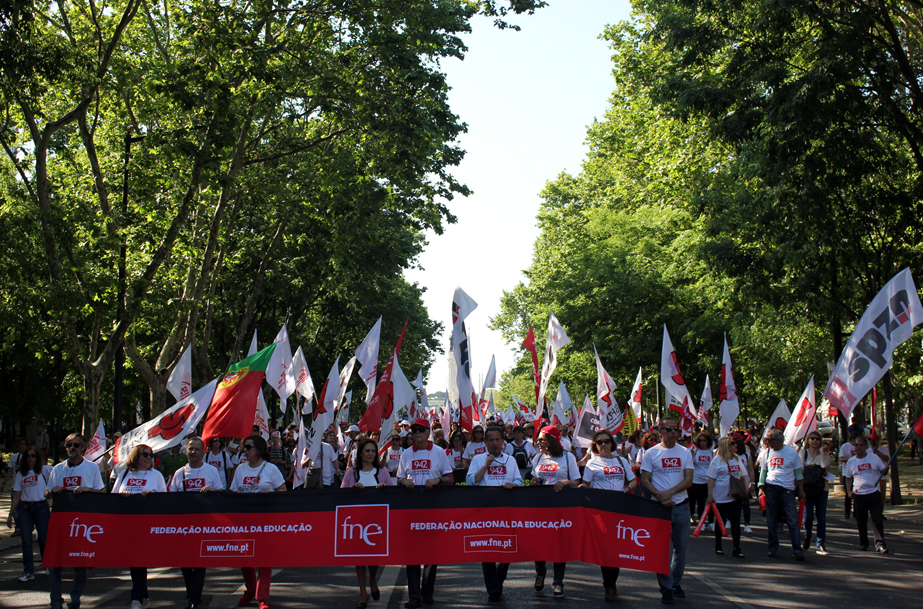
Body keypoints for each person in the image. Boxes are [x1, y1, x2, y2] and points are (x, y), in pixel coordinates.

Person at [396, 418, 453, 608]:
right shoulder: (405, 454)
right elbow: (399, 478)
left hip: (432, 509)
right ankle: (414, 595)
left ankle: (427, 591)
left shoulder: (439, 453)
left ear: (428, 433)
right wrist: (404, 482)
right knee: (412, 554)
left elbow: (450, 478)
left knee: (431, 553)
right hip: (411, 510)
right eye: (414, 430)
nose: (416, 433)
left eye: (420, 430)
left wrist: (437, 480)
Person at [45, 433, 105, 609]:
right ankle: (56, 600)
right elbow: (46, 494)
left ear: (83, 448)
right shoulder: (58, 469)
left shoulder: (92, 468)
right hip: (60, 521)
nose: (72, 448)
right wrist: (52, 491)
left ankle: (75, 599)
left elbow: (102, 494)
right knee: (55, 562)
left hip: (82, 524)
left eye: (76, 445)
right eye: (69, 445)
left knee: (79, 563)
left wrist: (87, 490)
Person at [639, 417, 693, 604]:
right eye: (668, 429)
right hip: (660, 509)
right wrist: (659, 496)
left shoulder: (685, 452)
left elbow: (688, 480)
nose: (673, 432)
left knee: (681, 549)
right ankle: (666, 588)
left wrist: (668, 493)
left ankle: (675, 583)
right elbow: (645, 480)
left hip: (681, 506)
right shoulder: (651, 453)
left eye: (675, 429)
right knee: (662, 550)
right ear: (660, 431)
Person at [467, 426, 522, 602]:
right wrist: (486, 465)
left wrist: (513, 485)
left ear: (503, 442)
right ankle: (493, 589)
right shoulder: (477, 459)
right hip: (485, 512)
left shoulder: (510, 460)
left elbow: (519, 480)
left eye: (497, 440)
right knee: (488, 549)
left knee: (508, 547)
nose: (494, 443)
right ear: (485, 443)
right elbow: (471, 481)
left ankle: (500, 576)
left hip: (506, 511)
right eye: (491, 440)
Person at [231, 435, 287, 609]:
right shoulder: (240, 469)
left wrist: (271, 499)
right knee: (245, 560)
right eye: (244, 447)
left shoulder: (271, 469)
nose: (245, 451)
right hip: (245, 521)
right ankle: (249, 590)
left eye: (248, 447)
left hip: (265, 521)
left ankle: (262, 597)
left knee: (264, 559)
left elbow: (283, 491)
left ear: (259, 449)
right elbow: (233, 492)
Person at [581, 429, 637, 601]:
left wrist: (628, 488)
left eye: (606, 441)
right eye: (600, 442)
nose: (603, 444)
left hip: (619, 509)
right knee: (606, 549)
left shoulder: (621, 460)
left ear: (611, 443)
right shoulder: (592, 464)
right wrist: (583, 490)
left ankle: (612, 581)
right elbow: (586, 484)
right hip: (601, 511)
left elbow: (633, 479)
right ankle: (609, 585)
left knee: (617, 548)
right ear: (595, 446)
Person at [170, 437, 225, 609]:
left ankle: (195, 601)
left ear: (203, 452)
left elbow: (220, 494)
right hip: (184, 527)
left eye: (197, 449)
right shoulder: (180, 473)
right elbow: (170, 497)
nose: (193, 452)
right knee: (186, 565)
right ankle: (191, 597)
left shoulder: (211, 471)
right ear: (186, 450)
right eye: (190, 449)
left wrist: (212, 491)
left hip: (204, 525)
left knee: (200, 564)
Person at [111, 444, 167, 609]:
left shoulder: (156, 475)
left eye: (151, 455)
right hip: (127, 526)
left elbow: (164, 500)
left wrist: (152, 496)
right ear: (135, 456)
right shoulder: (125, 474)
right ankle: (144, 595)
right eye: (145, 454)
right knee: (134, 562)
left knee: (139, 561)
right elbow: (113, 497)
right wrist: (122, 496)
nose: (149, 458)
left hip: (146, 526)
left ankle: (136, 599)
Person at [341, 438, 393, 608]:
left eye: (373, 451)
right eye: (367, 451)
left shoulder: (382, 470)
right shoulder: (351, 473)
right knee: (359, 557)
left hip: (376, 523)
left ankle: (372, 578)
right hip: (357, 523)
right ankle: (363, 591)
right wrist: (353, 490)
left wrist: (384, 488)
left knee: (373, 556)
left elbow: (393, 493)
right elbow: (342, 495)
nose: (370, 454)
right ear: (360, 453)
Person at [530, 425, 580, 598]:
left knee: (559, 544)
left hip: (560, 508)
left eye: (542, 439)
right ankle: (540, 573)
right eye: (538, 440)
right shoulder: (537, 458)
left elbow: (577, 481)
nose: (538, 442)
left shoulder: (568, 457)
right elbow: (532, 477)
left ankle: (558, 582)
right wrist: (533, 482)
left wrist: (565, 482)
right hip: (540, 507)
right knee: (539, 543)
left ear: (552, 440)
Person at [6, 446, 53, 582]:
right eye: (28, 456)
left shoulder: (44, 470)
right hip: (25, 508)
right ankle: (28, 571)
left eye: (33, 456)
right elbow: (17, 495)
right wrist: (11, 513)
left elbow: (60, 472)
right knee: (26, 540)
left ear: (37, 458)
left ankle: (47, 563)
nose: (31, 458)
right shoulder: (21, 474)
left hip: (41, 507)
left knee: (43, 538)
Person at [758, 429, 805, 560]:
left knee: (792, 520)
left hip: (787, 489)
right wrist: (761, 486)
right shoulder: (766, 453)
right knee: (771, 520)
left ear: (778, 441)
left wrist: (801, 490)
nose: (767, 443)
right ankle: (772, 547)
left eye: (770, 440)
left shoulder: (791, 452)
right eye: (767, 440)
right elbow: (763, 471)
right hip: (771, 488)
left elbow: (798, 473)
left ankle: (797, 549)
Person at [844, 436, 888, 553]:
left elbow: (883, 470)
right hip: (859, 494)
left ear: (866, 447)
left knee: (877, 519)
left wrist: (885, 470)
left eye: (861, 445)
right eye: (857, 445)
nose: (859, 447)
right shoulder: (851, 461)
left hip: (873, 493)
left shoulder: (874, 458)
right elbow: (848, 478)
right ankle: (863, 543)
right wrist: (849, 491)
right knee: (861, 520)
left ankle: (880, 543)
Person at [707, 437, 748, 558]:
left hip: (735, 496)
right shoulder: (717, 460)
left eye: (735, 443)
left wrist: (745, 491)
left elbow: (744, 475)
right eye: (732, 443)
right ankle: (718, 545)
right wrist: (710, 494)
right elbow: (711, 478)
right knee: (721, 522)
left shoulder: (737, 459)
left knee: (735, 522)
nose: (735, 445)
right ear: (725, 446)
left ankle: (737, 547)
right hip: (720, 496)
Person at [799, 431, 830, 555]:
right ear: (808, 440)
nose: (815, 441)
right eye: (812, 438)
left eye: (817, 439)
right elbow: (800, 468)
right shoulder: (803, 453)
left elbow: (824, 466)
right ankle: (807, 536)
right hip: (808, 488)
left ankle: (821, 542)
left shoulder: (825, 454)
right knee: (808, 517)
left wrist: (822, 452)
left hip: (822, 489)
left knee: (821, 517)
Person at [2, 437, 28, 533]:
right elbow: (10, 471)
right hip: (15, 486)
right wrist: (4, 483)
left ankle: (26, 526)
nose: (20, 446)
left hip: (27, 487)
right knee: (15, 507)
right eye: (19, 444)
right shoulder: (15, 457)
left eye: (22, 444)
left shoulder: (30, 456)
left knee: (25, 508)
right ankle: (18, 528)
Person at [690, 433, 715, 530]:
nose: (702, 442)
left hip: (709, 481)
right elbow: (690, 465)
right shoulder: (695, 452)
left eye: (704, 440)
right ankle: (702, 522)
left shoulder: (712, 453)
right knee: (700, 502)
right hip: (697, 481)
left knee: (710, 501)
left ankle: (711, 522)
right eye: (700, 440)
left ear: (708, 441)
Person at [839, 432, 862, 518]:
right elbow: (841, 458)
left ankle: (856, 511)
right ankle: (847, 511)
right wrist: (851, 459)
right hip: (847, 472)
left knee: (857, 492)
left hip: (858, 473)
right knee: (849, 493)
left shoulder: (860, 447)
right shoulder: (845, 446)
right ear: (852, 439)